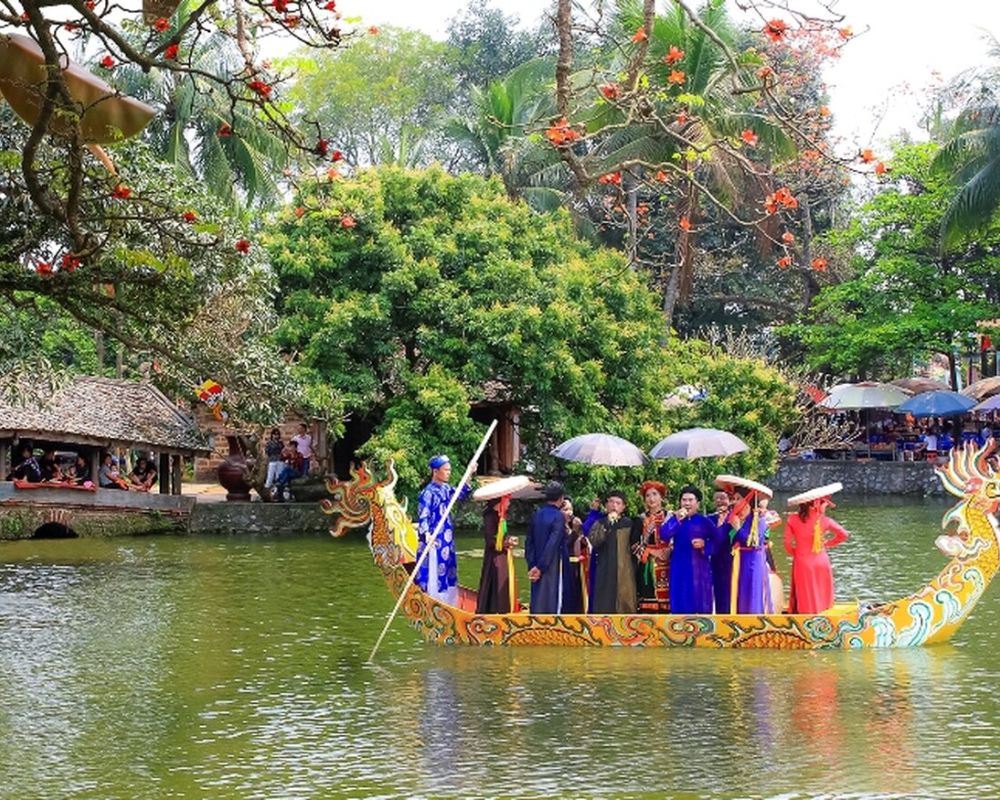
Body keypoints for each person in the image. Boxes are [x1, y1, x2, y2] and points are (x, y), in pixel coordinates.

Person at [784, 482, 850, 614]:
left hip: (802, 562)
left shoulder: (792, 519)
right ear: (816, 504)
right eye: (825, 503)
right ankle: (823, 617)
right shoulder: (825, 521)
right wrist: (827, 544)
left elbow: (787, 544)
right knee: (821, 592)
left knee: (806, 593)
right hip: (821, 560)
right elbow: (844, 535)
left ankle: (805, 616)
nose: (826, 506)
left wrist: (796, 553)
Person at [416, 455, 471, 607]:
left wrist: (469, 474)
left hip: (447, 538)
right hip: (435, 539)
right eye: (445, 470)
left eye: (449, 470)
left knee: (448, 568)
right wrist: (426, 534)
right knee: (436, 570)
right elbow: (423, 516)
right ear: (435, 471)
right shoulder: (428, 493)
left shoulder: (446, 489)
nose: (448, 473)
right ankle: (435, 601)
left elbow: (461, 494)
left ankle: (449, 603)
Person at [717, 475, 773, 614]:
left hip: (753, 562)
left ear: (747, 499)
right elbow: (721, 538)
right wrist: (722, 523)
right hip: (738, 561)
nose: (734, 502)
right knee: (739, 591)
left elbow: (753, 543)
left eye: (738, 498)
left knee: (751, 591)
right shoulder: (734, 517)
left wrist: (737, 528)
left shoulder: (759, 519)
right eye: (733, 499)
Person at [659, 485, 714, 614]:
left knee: (701, 602)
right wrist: (677, 519)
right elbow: (664, 535)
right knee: (680, 600)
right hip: (680, 567)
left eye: (691, 500)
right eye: (684, 500)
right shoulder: (675, 519)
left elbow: (717, 542)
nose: (687, 503)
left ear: (698, 503)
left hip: (700, 568)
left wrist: (705, 544)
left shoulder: (705, 521)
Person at [587, 490, 637, 614]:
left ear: (623, 507)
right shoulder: (600, 523)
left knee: (625, 604)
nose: (614, 505)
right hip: (604, 568)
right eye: (611, 502)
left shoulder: (629, 524)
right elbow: (594, 540)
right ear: (606, 505)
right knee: (604, 603)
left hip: (624, 570)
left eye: (618, 503)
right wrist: (607, 524)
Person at [525, 482, 569, 613]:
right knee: (552, 596)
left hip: (535, 563)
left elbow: (529, 542)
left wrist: (532, 564)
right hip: (552, 564)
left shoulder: (536, 514)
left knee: (537, 595)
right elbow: (552, 543)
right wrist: (541, 567)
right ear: (561, 498)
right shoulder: (559, 516)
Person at [475, 496, 518, 614]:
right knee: (496, 579)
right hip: (493, 555)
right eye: (507, 500)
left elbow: (502, 535)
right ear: (501, 501)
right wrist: (505, 542)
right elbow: (490, 540)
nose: (509, 503)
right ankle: (495, 610)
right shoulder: (490, 516)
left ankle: (505, 608)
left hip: (502, 553)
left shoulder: (501, 516)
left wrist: (509, 539)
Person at [631, 480, 669, 611]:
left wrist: (670, 550)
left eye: (655, 494)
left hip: (669, 566)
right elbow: (634, 546)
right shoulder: (639, 520)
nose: (651, 498)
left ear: (662, 497)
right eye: (648, 495)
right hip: (647, 567)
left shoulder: (670, 517)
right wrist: (652, 551)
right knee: (648, 605)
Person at [707, 488, 733, 613]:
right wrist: (719, 523)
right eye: (716, 498)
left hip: (732, 559)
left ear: (730, 500)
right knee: (719, 591)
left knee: (732, 591)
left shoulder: (735, 518)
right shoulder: (710, 519)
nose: (719, 501)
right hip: (716, 559)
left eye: (722, 498)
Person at [561, 498, 588, 614]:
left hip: (577, 566)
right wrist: (574, 533)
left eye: (571, 509)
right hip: (563, 566)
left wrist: (580, 533)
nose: (569, 512)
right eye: (566, 509)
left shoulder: (574, 525)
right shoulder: (557, 528)